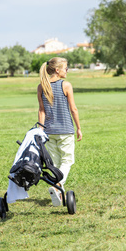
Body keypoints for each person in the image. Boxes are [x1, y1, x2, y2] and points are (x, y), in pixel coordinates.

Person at [37, 57, 82, 206]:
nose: (67, 70)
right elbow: (73, 109)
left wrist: (41, 129)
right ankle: (58, 186)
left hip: (49, 132)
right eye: (66, 68)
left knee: (55, 163)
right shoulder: (66, 85)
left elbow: (41, 111)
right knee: (67, 160)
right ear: (57, 70)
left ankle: (57, 188)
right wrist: (79, 128)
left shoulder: (41, 86)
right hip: (65, 131)